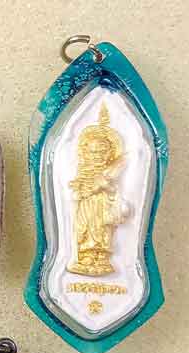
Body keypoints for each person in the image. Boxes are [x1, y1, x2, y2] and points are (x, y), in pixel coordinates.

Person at [67, 103, 130, 276]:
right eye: (92, 152)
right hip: (86, 205)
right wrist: (80, 190)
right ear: (85, 153)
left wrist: (104, 186)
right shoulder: (83, 170)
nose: (96, 156)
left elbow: (114, 189)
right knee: (85, 228)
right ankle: (86, 257)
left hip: (103, 206)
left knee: (102, 230)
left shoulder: (109, 172)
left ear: (108, 154)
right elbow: (77, 186)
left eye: (101, 153)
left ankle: (101, 258)